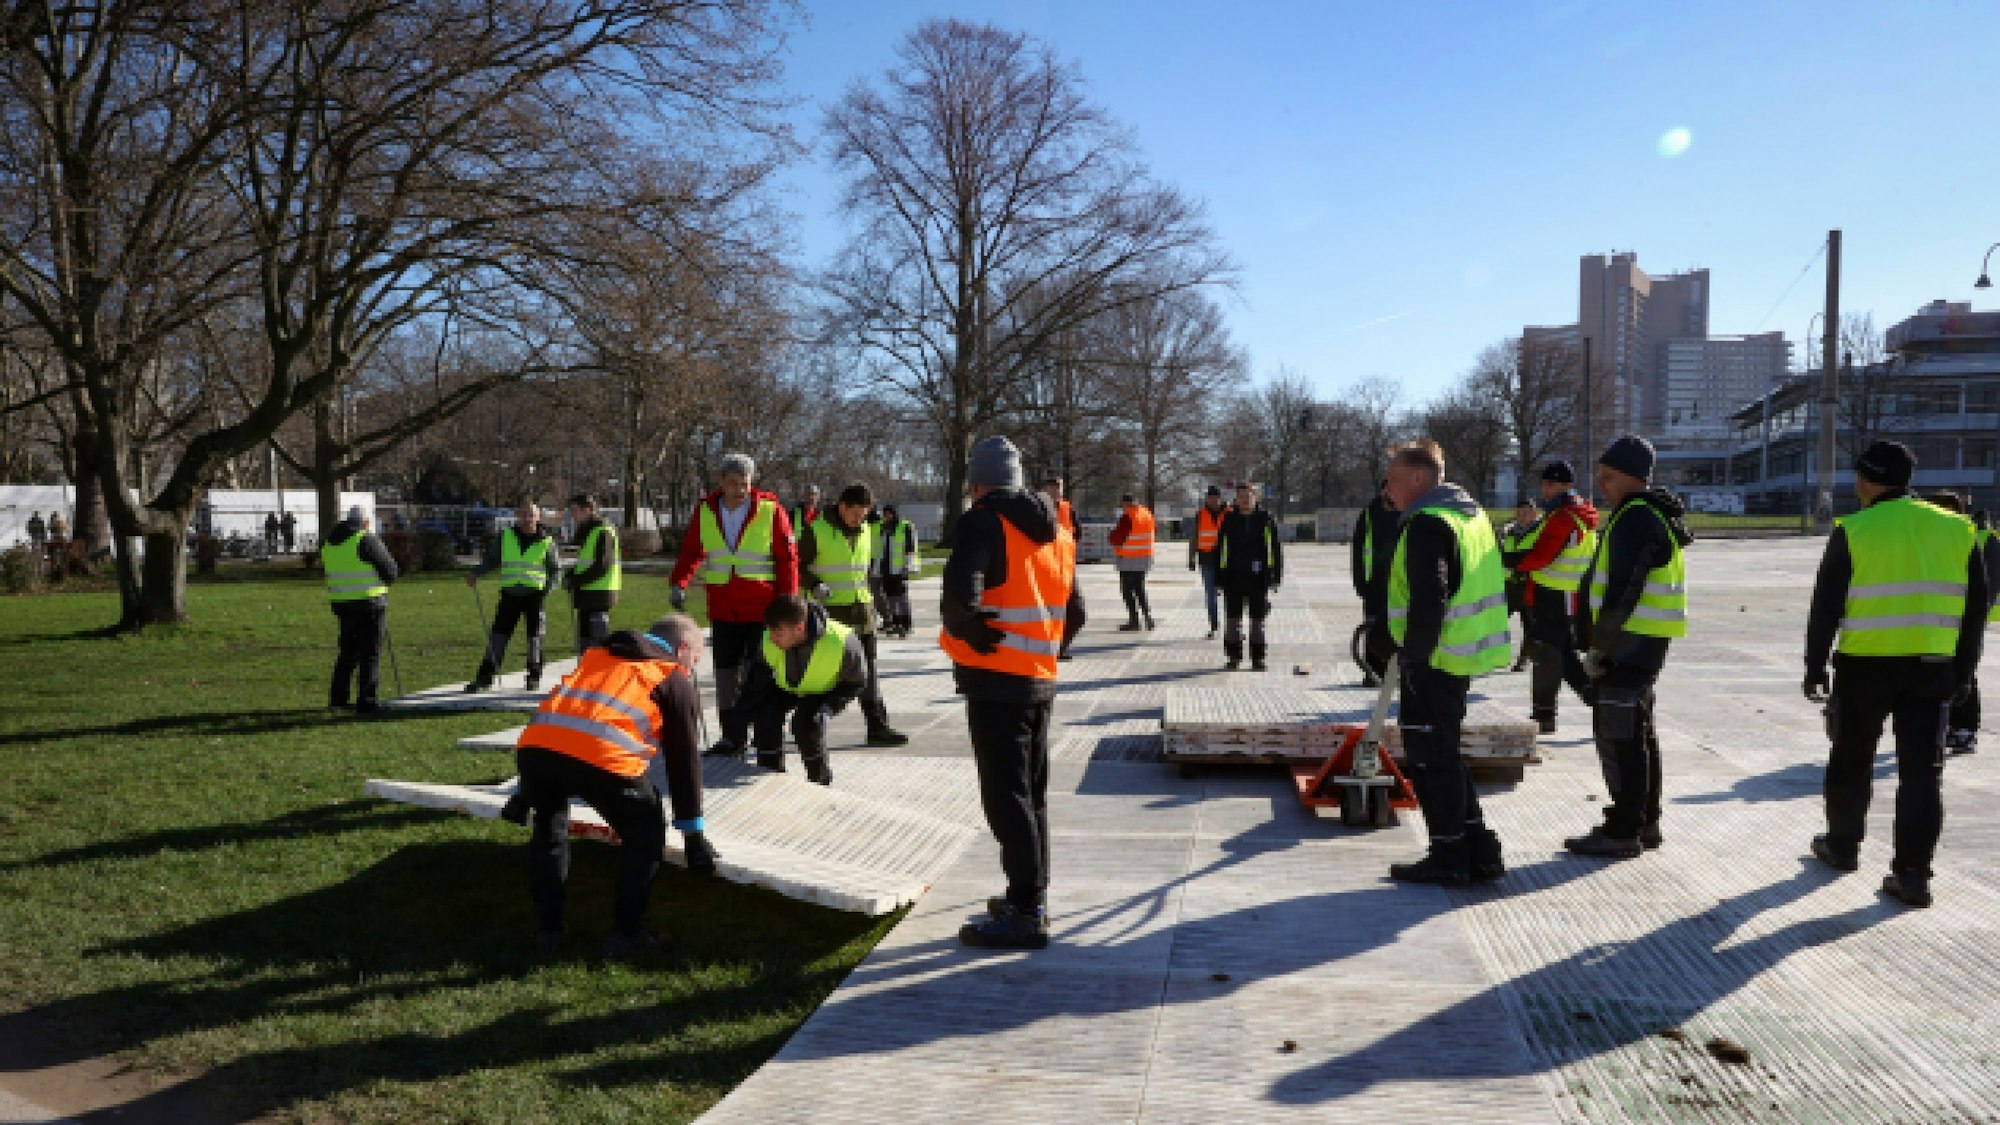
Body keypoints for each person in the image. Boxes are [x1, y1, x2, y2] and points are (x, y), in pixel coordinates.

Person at [1801, 446, 1985, 909]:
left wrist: (1814, 665)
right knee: (1923, 774)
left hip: (1865, 666)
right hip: (1932, 667)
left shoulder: (1854, 529)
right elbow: (1975, 611)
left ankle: (1842, 847)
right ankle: (1913, 876)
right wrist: (1963, 671)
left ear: (1865, 479)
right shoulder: (1958, 528)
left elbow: (1827, 605)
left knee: (1850, 759)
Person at [511, 613, 717, 957]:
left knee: (549, 831)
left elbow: (560, 720)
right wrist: (693, 835)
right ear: (682, 649)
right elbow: (684, 762)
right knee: (645, 835)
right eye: (695, 660)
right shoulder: (671, 676)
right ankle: (627, 935)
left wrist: (524, 792)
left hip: (536, 751)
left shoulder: (597, 657)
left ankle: (549, 932)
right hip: (604, 759)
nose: (692, 669)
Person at [944, 436, 1074, 949]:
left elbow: (960, 593)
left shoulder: (983, 520)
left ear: (978, 482)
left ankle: (1024, 912)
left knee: (1005, 795)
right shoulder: (1056, 530)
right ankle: (1031, 895)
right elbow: (1076, 609)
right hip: (1039, 679)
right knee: (1031, 793)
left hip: (996, 679)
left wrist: (972, 631)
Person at [1379, 441, 1512, 885]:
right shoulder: (1471, 518)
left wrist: (1412, 659)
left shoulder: (1428, 524)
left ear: (1418, 479)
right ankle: (1479, 847)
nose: (1388, 490)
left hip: (1434, 660)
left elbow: (1429, 598)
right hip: (1460, 654)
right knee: (1445, 754)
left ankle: (1450, 854)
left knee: (1431, 758)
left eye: (1394, 480)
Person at [1566, 435, 1692, 859]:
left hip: (1629, 644)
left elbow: (1623, 590)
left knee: (1619, 736)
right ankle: (1644, 821)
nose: (1601, 484)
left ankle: (1623, 828)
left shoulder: (1636, 517)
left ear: (1633, 477)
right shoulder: (1647, 512)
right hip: (1643, 641)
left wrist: (1601, 648)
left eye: (1609, 476)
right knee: (1637, 732)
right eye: (1599, 475)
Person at [668, 453, 800, 757]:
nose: (740, 490)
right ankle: (731, 737)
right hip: (723, 608)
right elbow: (691, 551)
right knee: (725, 676)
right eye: (733, 484)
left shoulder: (770, 510)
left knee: (758, 674)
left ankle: (764, 733)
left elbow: (787, 559)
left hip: (761, 610)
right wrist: (679, 583)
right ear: (721, 482)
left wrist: (788, 601)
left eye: (745, 484)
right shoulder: (705, 511)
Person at [799, 483, 908, 746]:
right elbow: (797, 565)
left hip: (863, 613)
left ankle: (877, 727)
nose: (859, 519)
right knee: (822, 675)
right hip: (830, 616)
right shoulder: (816, 532)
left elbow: (863, 571)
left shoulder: (867, 531)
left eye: (864, 513)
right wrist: (814, 585)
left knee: (868, 672)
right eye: (855, 513)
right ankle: (805, 725)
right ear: (842, 506)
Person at [722, 594, 867, 784]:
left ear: (799, 628)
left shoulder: (843, 641)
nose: (772, 638)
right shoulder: (769, 638)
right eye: (770, 631)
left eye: (778, 633)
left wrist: (829, 707)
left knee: (806, 723)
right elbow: (754, 687)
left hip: (822, 692)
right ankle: (770, 774)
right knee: (766, 714)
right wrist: (733, 734)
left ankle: (820, 780)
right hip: (786, 688)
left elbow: (856, 683)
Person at [1505, 461, 1601, 732]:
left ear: (1566, 485)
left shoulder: (1564, 517)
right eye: (1544, 484)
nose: (1544, 490)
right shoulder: (1577, 512)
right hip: (1564, 593)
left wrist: (1508, 560)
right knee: (1561, 652)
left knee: (1548, 653)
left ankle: (1546, 714)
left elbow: (1541, 555)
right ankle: (1589, 697)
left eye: (1550, 484)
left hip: (1554, 594)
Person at [465, 499, 562, 692]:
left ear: (538, 517)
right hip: (510, 594)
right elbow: (492, 559)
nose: (527, 519)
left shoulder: (547, 541)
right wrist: (477, 573)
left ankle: (533, 676)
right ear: (518, 516)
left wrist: (547, 590)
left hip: (535, 595)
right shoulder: (506, 536)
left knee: (534, 638)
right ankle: (485, 677)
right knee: (498, 636)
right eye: (524, 514)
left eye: (531, 515)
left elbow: (555, 570)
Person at [1929, 492, 1993, 755]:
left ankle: (1965, 729)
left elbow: (1986, 584)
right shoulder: (1931, 540)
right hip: (1935, 622)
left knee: (1965, 674)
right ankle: (1947, 727)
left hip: (1963, 620)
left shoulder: (1972, 538)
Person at [323, 504, 398, 714]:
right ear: (365, 522)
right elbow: (391, 570)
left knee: (347, 653)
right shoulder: (365, 539)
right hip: (369, 603)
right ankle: (366, 701)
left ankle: (338, 698)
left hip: (341, 604)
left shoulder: (330, 543)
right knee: (370, 654)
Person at [1216, 481, 1282, 671]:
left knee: (1257, 620)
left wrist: (1275, 574)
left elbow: (1275, 550)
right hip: (1233, 577)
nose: (1244, 500)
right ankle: (1233, 657)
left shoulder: (1266, 519)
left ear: (1256, 497)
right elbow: (1222, 549)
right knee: (1232, 620)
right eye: (1241, 497)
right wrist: (1221, 576)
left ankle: (1258, 658)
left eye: (1248, 496)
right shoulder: (1229, 519)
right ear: (1236, 499)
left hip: (1258, 578)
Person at [1352, 479, 1399, 685]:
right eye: (1387, 489)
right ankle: (1371, 671)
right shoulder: (1369, 514)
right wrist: (1360, 582)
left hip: (1399, 582)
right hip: (1374, 583)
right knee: (1372, 627)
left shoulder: (1407, 511)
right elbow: (1358, 550)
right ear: (1381, 491)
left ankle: (1394, 670)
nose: (1390, 493)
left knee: (1397, 627)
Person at [562, 494, 620, 650]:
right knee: (586, 640)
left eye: (574, 510)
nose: (572, 515)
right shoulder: (585, 531)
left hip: (599, 593)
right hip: (587, 593)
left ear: (587, 510)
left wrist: (575, 580)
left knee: (597, 642)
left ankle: (597, 672)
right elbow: (578, 560)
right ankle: (587, 671)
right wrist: (570, 574)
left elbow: (601, 566)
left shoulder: (603, 530)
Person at [1042, 476, 1086, 660]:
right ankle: (1046, 649)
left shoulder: (1068, 509)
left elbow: (1077, 532)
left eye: (1058, 488)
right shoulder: (1037, 509)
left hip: (1066, 567)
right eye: (1052, 488)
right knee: (1044, 612)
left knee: (1077, 613)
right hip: (1044, 567)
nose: (1056, 492)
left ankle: (1060, 647)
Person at [1500, 501, 1539, 673]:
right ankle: (1495, 655)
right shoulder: (1509, 532)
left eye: (1526, 513)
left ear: (1534, 513)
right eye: (1519, 513)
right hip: (1509, 585)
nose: (1522, 516)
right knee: (1496, 621)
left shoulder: (1539, 532)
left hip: (1528, 584)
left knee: (1529, 625)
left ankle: (1524, 658)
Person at [1108, 493, 1156, 631]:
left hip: (1128, 559)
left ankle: (1134, 620)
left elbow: (1116, 538)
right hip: (1144, 557)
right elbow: (1154, 530)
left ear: (1125, 504)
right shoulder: (1146, 514)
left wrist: (1111, 535)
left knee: (1127, 590)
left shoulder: (1127, 517)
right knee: (1140, 588)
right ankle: (1148, 617)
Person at [876, 503, 921, 638]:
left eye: (889, 513)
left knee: (901, 598)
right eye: (885, 514)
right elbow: (881, 549)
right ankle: (895, 623)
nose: (886, 516)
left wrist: (908, 566)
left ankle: (906, 624)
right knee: (890, 598)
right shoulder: (883, 528)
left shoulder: (905, 526)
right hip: (887, 569)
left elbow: (910, 548)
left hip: (900, 569)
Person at [1188, 485, 1227, 639]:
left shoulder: (1229, 513)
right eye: (1210, 497)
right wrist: (1191, 557)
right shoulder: (1201, 514)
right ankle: (1214, 625)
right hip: (1207, 559)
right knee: (1210, 594)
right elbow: (1194, 537)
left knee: (1231, 594)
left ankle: (1233, 625)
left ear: (1220, 498)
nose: (1213, 500)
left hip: (1226, 560)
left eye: (1215, 497)